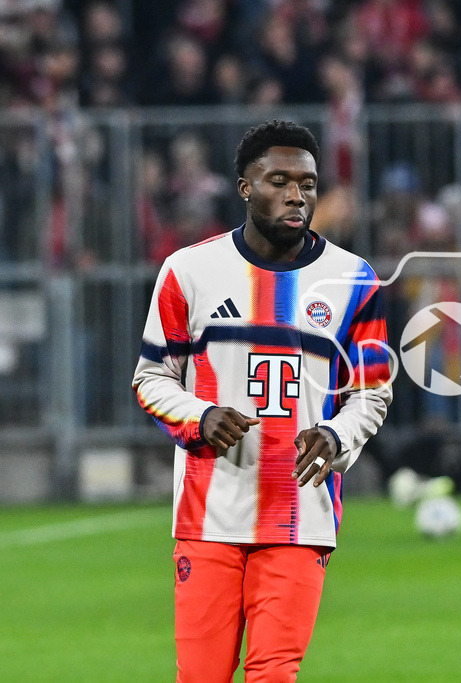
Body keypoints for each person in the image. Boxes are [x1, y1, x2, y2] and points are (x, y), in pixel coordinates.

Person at [132, 120, 392, 682]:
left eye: (308, 183)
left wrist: (338, 436)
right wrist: (200, 416)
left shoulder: (354, 279)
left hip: (300, 517)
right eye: (279, 180)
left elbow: (371, 392)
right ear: (245, 187)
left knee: (274, 673)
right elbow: (152, 377)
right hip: (209, 516)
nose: (297, 195)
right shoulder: (188, 271)